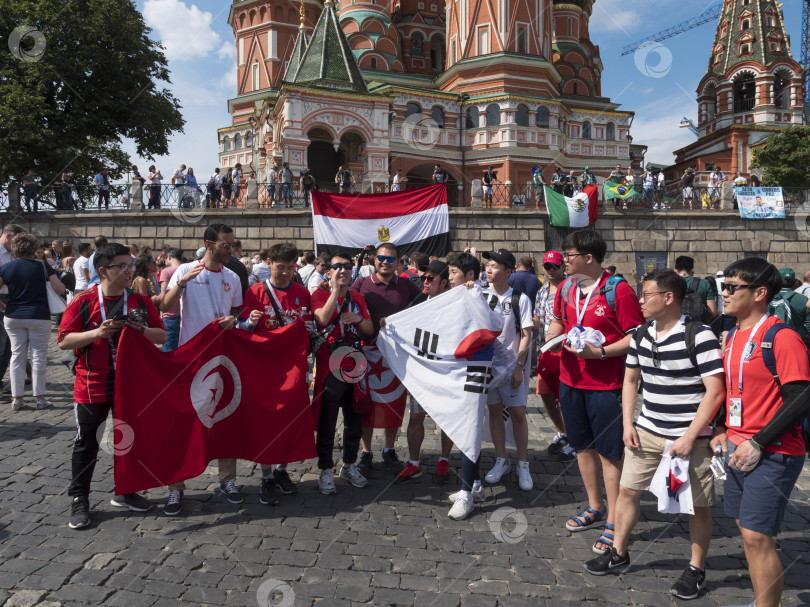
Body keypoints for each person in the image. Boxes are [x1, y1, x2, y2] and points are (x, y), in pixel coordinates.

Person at [584, 269, 725, 601]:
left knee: (697, 505)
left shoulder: (700, 335)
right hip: (646, 431)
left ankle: (696, 569)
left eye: (646, 295)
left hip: (692, 439)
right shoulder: (641, 334)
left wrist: (692, 435)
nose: (640, 300)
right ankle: (619, 552)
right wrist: (628, 423)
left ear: (668, 298)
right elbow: (630, 380)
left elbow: (715, 391)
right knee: (628, 491)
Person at [715, 257, 810, 607]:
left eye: (731, 287)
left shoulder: (781, 336)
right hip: (738, 446)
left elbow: (801, 395)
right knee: (748, 531)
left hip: (773, 450)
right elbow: (736, 390)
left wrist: (758, 441)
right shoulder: (734, 333)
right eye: (722, 286)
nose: (723, 293)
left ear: (759, 293)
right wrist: (724, 428)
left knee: (757, 536)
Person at [545, 229, 645, 555]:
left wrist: (600, 353)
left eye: (569, 256)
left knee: (609, 453)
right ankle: (595, 505)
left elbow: (636, 338)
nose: (564, 261)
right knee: (582, 447)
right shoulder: (565, 289)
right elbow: (559, 322)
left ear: (589, 258)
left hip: (606, 386)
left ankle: (614, 520)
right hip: (570, 380)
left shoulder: (619, 291)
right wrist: (552, 335)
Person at [58, 243, 166, 528]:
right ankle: (79, 499)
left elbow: (162, 336)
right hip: (92, 383)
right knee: (86, 444)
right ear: (103, 270)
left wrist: (139, 329)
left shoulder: (140, 302)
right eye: (122, 266)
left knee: (128, 440)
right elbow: (63, 340)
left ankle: (127, 491)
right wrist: (98, 332)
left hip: (131, 384)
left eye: (131, 265)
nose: (130, 271)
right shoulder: (83, 301)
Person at [161, 224, 244, 515]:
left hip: (221, 355)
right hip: (189, 356)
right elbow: (165, 305)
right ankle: (175, 487)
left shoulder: (233, 276)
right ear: (208, 244)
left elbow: (236, 312)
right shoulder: (185, 270)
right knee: (182, 423)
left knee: (225, 419)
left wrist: (234, 320)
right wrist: (182, 283)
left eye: (233, 245)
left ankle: (228, 480)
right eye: (226, 245)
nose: (231, 250)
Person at [239, 242, 313, 499]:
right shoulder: (255, 292)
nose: (285, 273)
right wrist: (250, 322)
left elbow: (309, 325)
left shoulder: (302, 293)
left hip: (293, 366)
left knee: (290, 418)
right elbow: (243, 330)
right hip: (264, 368)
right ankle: (267, 475)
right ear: (269, 264)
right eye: (280, 267)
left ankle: (282, 469)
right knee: (266, 420)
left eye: (290, 268)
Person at [351, 243, 421, 474]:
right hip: (365, 353)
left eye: (391, 259)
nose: (385, 262)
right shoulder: (361, 284)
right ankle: (366, 451)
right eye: (381, 258)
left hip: (395, 356)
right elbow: (344, 301)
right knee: (365, 406)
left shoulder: (406, 285)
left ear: (398, 263)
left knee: (394, 404)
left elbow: (426, 303)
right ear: (374, 259)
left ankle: (389, 449)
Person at [312, 252, 373, 495]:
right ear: (328, 272)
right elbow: (323, 320)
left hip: (354, 364)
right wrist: (335, 292)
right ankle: (326, 469)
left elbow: (369, 329)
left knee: (354, 421)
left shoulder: (358, 297)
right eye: (337, 267)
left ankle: (348, 465)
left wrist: (358, 317)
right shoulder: (319, 294)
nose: (342, 270)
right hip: (329, 365)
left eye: (347, 266)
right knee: (326, 422)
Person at [480, 249, 534, 490]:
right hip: (488, 367)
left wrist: (519, 367)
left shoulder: (520, 298)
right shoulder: (480, 295)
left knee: (518, 414)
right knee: (493, 412)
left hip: (512, 366)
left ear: (509, 271)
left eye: (494, 265)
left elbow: (526, 335)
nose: (489, 269)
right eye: (488, 265)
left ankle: (523, 463)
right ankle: (501, 459)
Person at [396, 260, 454, 484]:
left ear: (444, 282)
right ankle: (414, 463)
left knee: (447, 418)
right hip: (422, 371)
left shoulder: (453, 303)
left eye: (431, 279)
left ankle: (444, 460)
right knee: (416, 416)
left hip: (446, 371)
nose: (426, 282)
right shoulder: (419, 299)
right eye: (424, 278)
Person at [0, 233, 66, 410]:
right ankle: (40, 397)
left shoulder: (6, 268)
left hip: (13, 316)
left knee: (17, 356)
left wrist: (3, 307)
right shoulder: (42, 266)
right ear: (33, 249)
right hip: (38, 315)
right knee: (38, 357)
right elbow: (59, 289)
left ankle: (17, 398)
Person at [533, 251, 575, 462]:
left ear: (562, 267)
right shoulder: (541, 291)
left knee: (567, 396)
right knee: (545, 391)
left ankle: (576, 438)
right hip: (547, 348)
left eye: (554, 266)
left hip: (568, 349)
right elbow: (538, 319)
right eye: (547, 266)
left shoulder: (572, 289)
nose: (550, 270)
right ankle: (563, 432)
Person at [768, 268, 810, 345]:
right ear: (794, 282)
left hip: (770, 339)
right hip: (797, 340)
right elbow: (808, 324)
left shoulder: (766, 298)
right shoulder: (804, 299)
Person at [156, 248, 183, 352]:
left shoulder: (166, 271)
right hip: (187, 315)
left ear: (169, 257)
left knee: (169, 351)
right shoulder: (188, 269)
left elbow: (163, 294)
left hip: (171, 315)